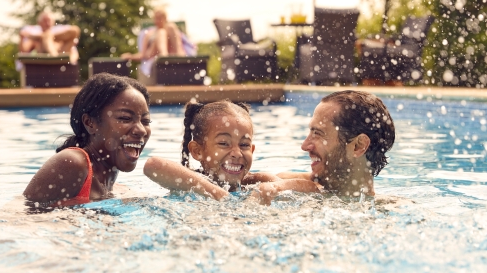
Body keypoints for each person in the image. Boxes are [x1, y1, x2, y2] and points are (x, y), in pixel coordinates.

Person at [23, 73, 151, 208]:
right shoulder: (73, 162)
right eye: (125, 118)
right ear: (90, 123)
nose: (141, 130)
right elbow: (19, 216)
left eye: (146, 121)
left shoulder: (113, 184)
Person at [252, 90, 396, 205]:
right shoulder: (287, 188)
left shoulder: (393, 210)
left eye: (318, 133)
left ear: (358, 146)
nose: (305, 146)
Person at [143, 100, 280, 200]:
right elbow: (153, 166)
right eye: (224, 143)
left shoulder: (256, 182)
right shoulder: (188, 181)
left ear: (252, 150)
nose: (237, 153)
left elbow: (291, 185)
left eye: (244, 145)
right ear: (197, 151)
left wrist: (273, 189)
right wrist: (219, 195)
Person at [121, 7, 186, 61]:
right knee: (161, 32)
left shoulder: (170, 28)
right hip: (153, 54)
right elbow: (142, 54)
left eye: (160, 18)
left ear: (165, 18)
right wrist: (130, 56)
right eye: (156, 18)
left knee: (170, 26)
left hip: (172, 53)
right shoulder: (149, 34)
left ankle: (178, 56)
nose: (158, 20)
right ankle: (164, 56)